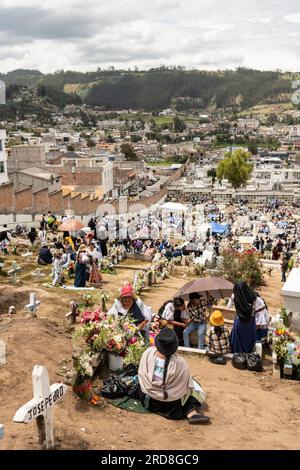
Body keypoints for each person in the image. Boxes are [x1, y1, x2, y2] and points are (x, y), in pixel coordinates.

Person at [138, 328, 210, 424]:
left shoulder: (148, 353)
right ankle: (191, 413)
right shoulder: (181, 363)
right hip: (170, 407)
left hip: (148, 400)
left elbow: (141, 374)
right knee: (193, 387)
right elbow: (186, 387)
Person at [228, 281, 257, 354]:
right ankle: (248, 353)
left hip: (240, 320)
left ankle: (237, 353)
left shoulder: (237, 297)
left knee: (238, 338)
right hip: (250, 320)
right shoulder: (252, 296)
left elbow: (228, 306)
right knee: (248, 337)